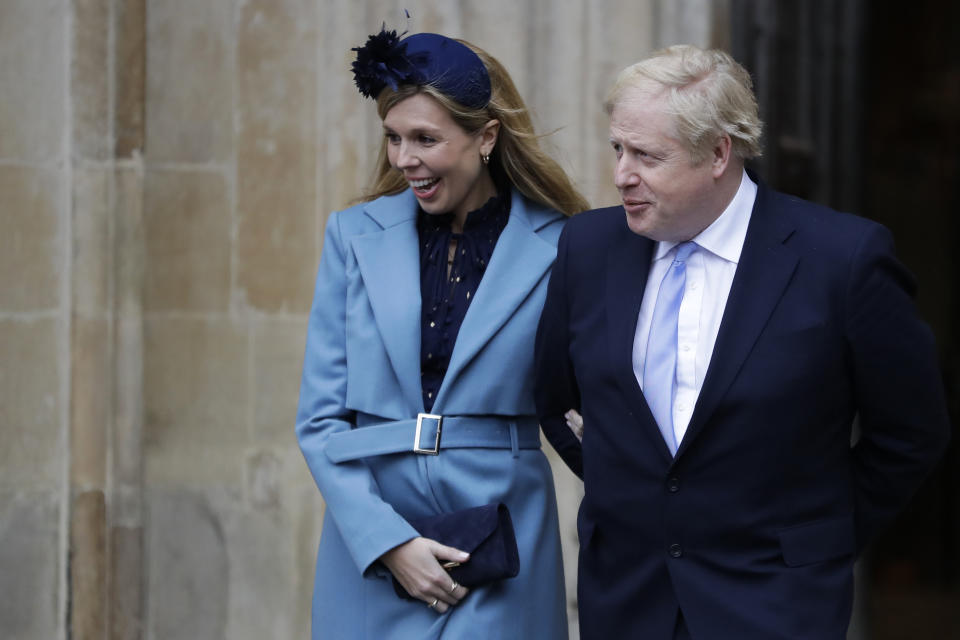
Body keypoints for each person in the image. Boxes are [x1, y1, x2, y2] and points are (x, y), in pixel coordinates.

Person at [534, 44, 951, 639]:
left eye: (648, 156)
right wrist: (627, 496)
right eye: (618, 148)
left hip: (776, 605)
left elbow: (912, 433)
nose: (622, 174)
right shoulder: (587, 246)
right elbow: (555, 399)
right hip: (626, 601)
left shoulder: (843, 258)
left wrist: (814, 541)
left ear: (719, 153)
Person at [296, 27, 589, 639]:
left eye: (426, 139)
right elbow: (320, 422)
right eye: (394, 138)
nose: (405, 159)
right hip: (372, 547)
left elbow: (589, 398)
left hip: (504, 538)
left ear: (486, 137)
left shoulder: (565, 245)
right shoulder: (352, 238)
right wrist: (389, 543)